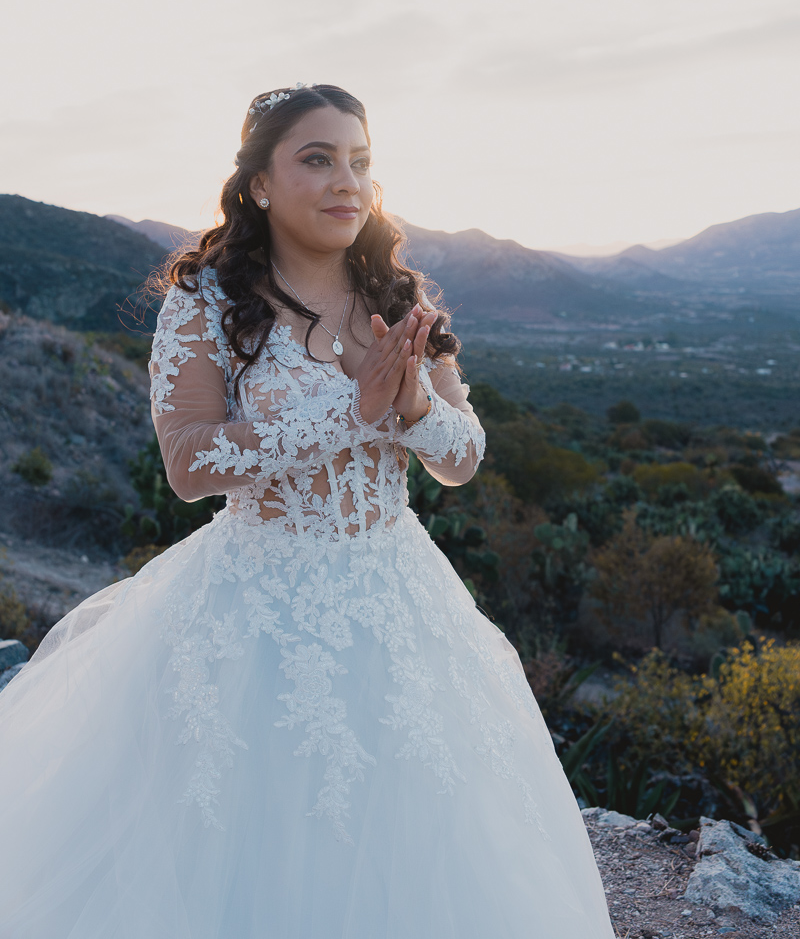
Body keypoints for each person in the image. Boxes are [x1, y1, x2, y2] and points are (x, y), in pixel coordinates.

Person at [0, 83, 614, 937]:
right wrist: (349, 412)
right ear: (258, 183)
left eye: (360, 162)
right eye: (317, 159)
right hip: (254, 602)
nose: (345, 182)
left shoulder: (400, 298)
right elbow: (188, 464)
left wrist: (411, 412)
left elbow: (463, 459)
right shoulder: (205, 303)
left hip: (399, 595)